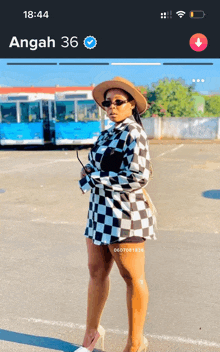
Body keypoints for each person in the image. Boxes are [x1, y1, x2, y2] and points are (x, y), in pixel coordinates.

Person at [77, 77, 157, 352]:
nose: (111, 107)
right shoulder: (107, 133)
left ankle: (136, 343)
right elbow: (93, 169)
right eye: (106, 103)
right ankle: (91, 335)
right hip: (99, 214)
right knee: (96, 272)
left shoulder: (133, 133)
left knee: (132, 278)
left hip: (126, 217)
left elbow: (140, 176)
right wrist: (88, 175)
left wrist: (97, 178)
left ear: (131, 104)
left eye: (118, 102)